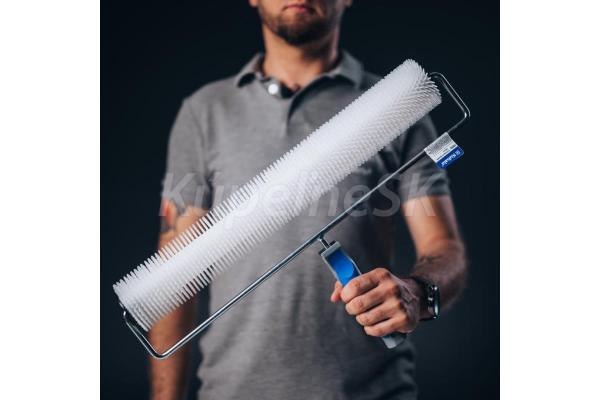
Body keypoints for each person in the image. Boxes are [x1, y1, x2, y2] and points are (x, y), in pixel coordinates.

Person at [151, 1, 467, 399]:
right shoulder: (204, 113)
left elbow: (443, 247)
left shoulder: (400, 106)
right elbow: (174, 273)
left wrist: (418, 293)